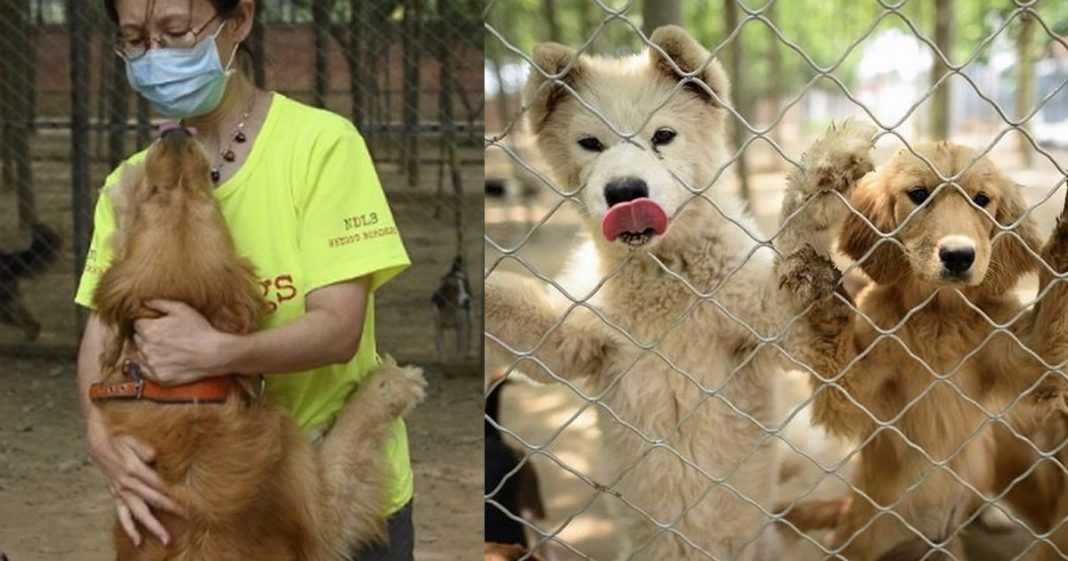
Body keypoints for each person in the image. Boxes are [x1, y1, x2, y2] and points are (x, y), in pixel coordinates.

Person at [73, 1, 416, 559]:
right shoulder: (128, 182)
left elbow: (338, 329)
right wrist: (98, 432)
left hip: (328, 476)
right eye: (136, 39)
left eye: (176, 31)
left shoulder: (321, 146)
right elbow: (100, 334)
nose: (156, 55)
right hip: (178, 488)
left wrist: (218, 352)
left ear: (239, 21)